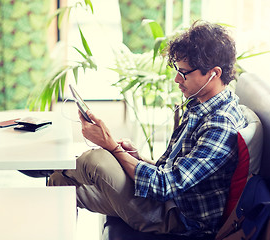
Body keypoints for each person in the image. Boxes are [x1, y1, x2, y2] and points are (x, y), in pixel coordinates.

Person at [48, 20, 247, 236]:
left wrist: (113, 147)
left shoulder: (220, 124)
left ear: (214, 73)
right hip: (166, 202)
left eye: (185, 73)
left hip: (178, 219)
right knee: (58, 183)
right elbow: (171, 171)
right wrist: (138, 158)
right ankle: (54, 171)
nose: (177, 79)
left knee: (98, 160)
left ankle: (50, 165)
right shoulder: (200, 104)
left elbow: (164, 185)